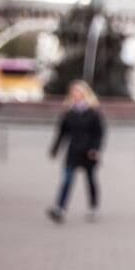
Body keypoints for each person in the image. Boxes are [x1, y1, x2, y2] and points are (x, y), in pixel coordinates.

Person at [47, 80, 105, 223]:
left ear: (85, 94)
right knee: (67, 180)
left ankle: (93, 206)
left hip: (88, 152)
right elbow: (62, 133)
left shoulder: (93, 113)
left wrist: (96, 149)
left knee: (90, 180)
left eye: (79, 92)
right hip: (73, 151)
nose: (76, 95)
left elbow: (99, 133)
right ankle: (60, 208)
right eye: (74, 92)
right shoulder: (69, 113)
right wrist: (55, 149)